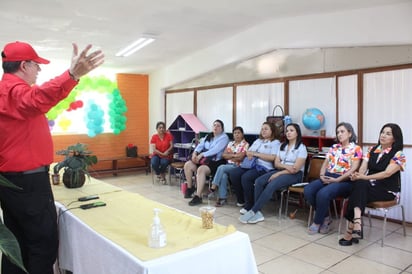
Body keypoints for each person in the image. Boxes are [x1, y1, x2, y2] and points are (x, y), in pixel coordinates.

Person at [0, 41, 104, 274]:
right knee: (42, 245)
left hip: (12, 182)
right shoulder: (15, 91)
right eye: (36, 65)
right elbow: (37, 99)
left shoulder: (5, 92)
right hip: (28, 185)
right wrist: (71, 75)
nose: (39, 70)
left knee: (17, 245)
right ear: (24, 65)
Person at [339, 123, 406, 246]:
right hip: (370, 187)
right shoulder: (371, 150)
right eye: (382, 132)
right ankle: (357, 222)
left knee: (357, 190)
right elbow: (363, 168)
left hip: (387, 191)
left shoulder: (399, 154)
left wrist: (364, 177)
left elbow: (387, 173)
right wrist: (358, 175)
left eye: (388, 133)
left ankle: (350, 231)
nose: (383, 135)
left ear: (395, 138)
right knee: (359, 185)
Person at [240, 123, 307, 224]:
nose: (288, 133)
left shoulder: (301, 148)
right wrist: (284, 167)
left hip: (295, 175)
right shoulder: (282, 146)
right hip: (281, 170)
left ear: (297, 133)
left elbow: (295, 169)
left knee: (272, 184)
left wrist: (278, 173)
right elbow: (276, 164)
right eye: (287, 131)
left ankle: (253, 210)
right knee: (259, 181)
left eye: (291, 130)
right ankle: (258, 212)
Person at [304, 122, 362, 235]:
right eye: (337, 132)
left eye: (342, 131)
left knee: (323, 194)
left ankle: (317, 222)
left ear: (350, 133)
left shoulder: (356, 149)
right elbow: (325, 163)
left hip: (345, 181)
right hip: (328, 176)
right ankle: (326, 217)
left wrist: (338, 180)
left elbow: (354, 169)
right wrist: (321, 175)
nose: (339, 134)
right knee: (308, 190)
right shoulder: (334, 147)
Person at [228, 121, 280, 214]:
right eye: (262, 129)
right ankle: (241, 200)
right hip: (250, 164)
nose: (263, 131)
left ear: (272, 131)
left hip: (264, 167)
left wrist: (256, 154)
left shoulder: (275, 143)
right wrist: (249, 154)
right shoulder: (258, 140)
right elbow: (248, 151)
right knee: (234, 173)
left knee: (246, 177)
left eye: (266, 129)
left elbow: (273, 157)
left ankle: (250, 205)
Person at [184, 119, 229, 206]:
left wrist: (202, 155)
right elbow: (200, 146)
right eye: (214, 125)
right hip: (203, 160)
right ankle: (190, 188)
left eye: (218, 126)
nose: (215, 127)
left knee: (201, 169)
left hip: (215, 162)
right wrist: (195, 154)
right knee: (188, 165)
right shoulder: (209, 136)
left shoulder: (224, 137)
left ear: (222, 129)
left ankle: (198, 196)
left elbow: (216, 150)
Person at [207, 126, 249, 206]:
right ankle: (222, 198)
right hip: (228, 165)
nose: (237, 135)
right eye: (235, 133)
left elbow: (241, 158)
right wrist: (235, 155)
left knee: (221, 167)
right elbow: (223, 155)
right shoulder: (230, 144)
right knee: (223, 175)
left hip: (238, 166)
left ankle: (213, 188)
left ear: (242, 134)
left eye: (238, 133)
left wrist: (230, 155)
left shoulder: (245, 144)